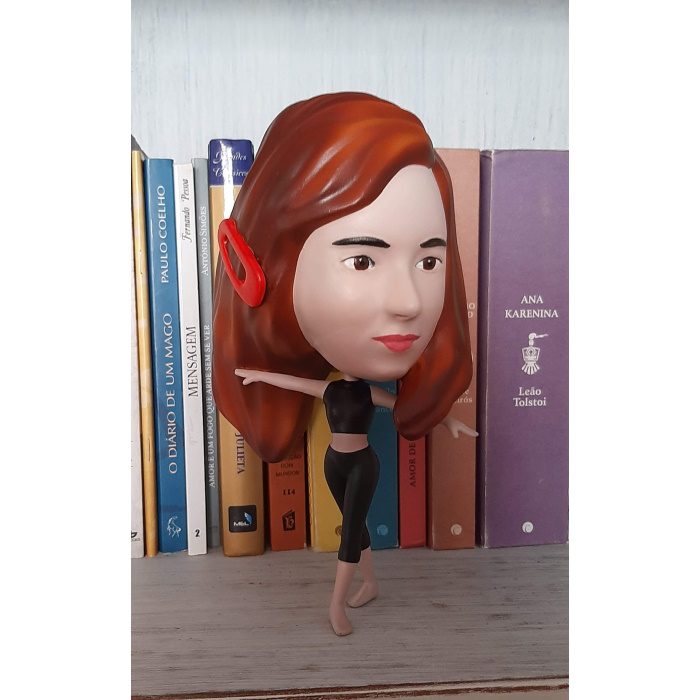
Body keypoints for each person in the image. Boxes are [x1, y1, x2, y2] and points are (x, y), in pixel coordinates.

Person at [212, 92, 477, 636]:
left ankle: (338, 604)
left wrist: (448, 419)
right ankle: (369, 581)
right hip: (339, 462)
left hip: (359, 466)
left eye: (429, 260)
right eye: (361, 260)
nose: (409, 302)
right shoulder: (334, 391)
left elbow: (390, 404)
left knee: (349, 532)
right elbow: (302, 387)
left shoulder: (354, 391)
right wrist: (259, 375)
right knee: (355, 529)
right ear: (261, 267)